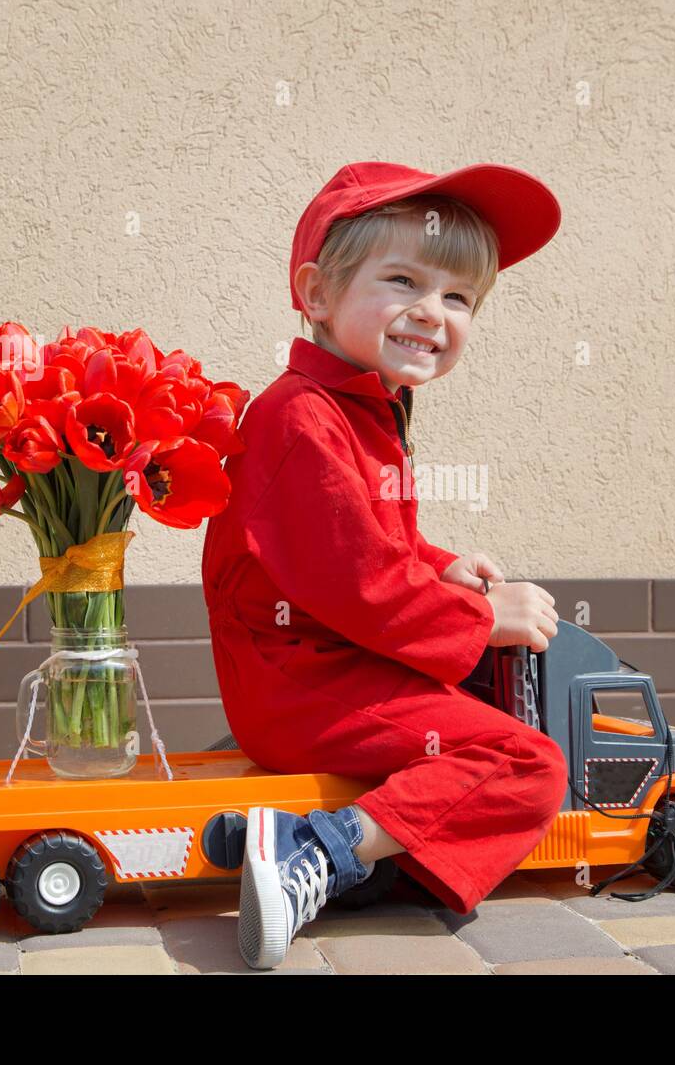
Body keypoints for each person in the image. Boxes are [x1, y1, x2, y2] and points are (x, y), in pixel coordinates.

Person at [201, 161, 568, 969]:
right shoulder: (302, 418)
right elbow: (358, 587)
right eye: (403, 279)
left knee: (478, 724)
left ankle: (341, 851)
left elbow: (369, 550)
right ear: (318, 294)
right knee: (522, 760)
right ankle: (319, 852)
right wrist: (480, 619)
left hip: (323, 665)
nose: (432, 313)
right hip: (301, 680)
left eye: (459, 297)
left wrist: (437, 569)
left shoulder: (363, 408)